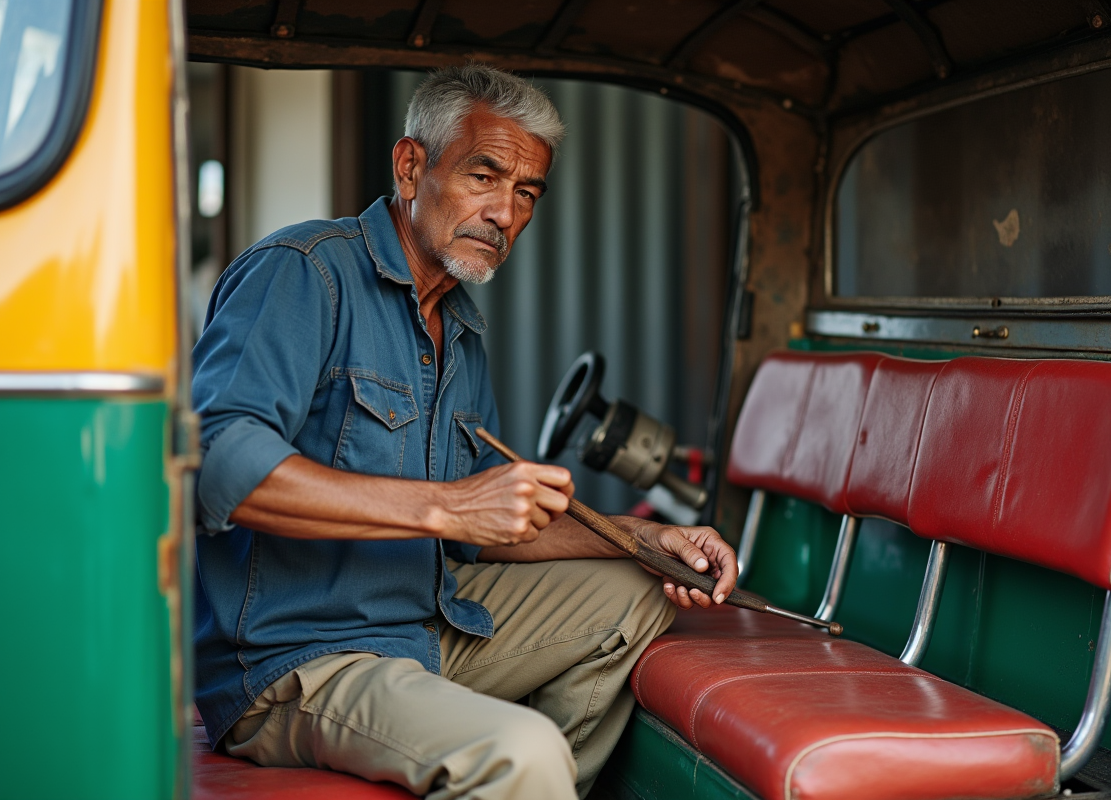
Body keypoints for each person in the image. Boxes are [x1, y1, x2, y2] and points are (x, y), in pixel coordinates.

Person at [191, 64, 738, 800]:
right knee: (520, 751)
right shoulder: (303, 273)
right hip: (299, 659)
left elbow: (480, 533)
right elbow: (218, 464)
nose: (506, 214)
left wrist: (640, 539)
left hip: (424, 627)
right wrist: (446, 505)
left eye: (526, 193)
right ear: (411, 166)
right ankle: (519, 774)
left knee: (640, 591)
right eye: (485, 176)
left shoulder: (459, 328)